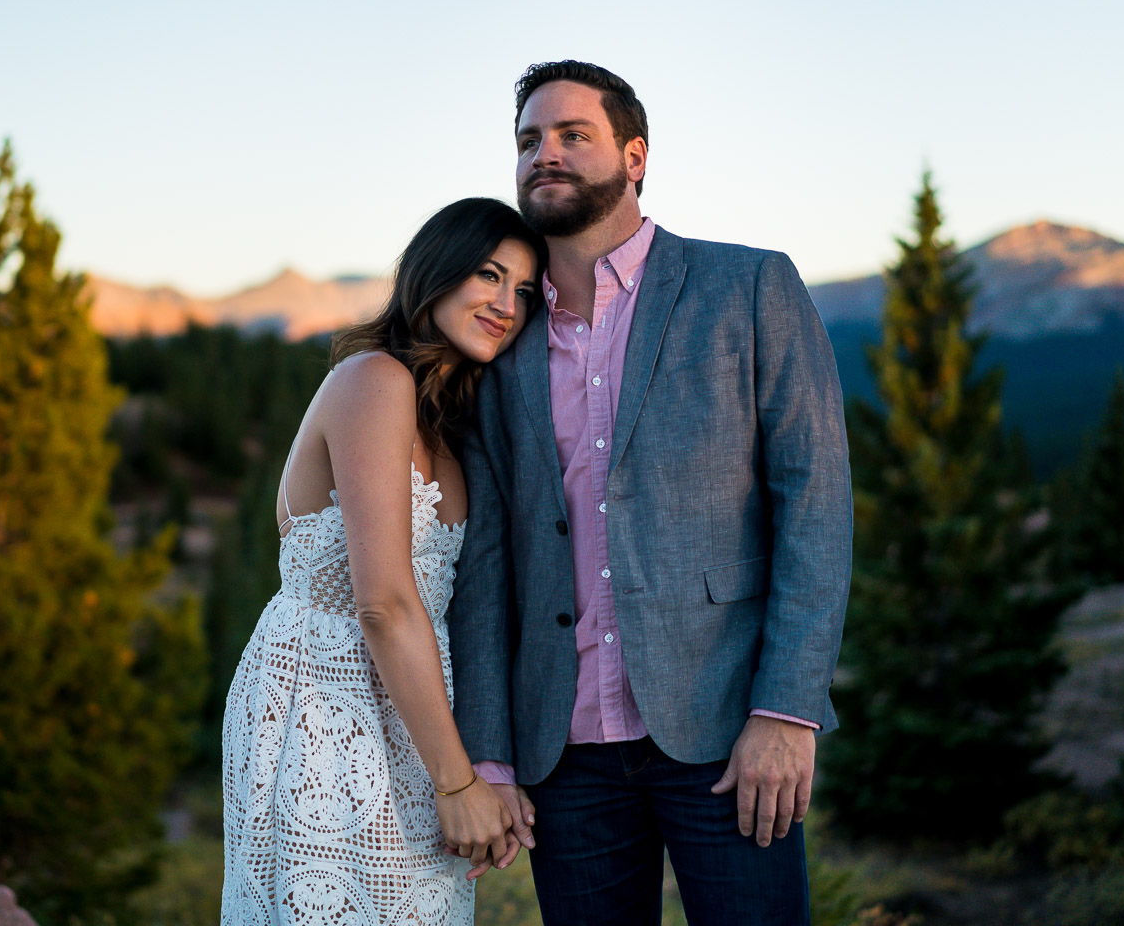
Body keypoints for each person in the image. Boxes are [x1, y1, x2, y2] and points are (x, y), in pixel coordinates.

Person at [448, 61, 853, 926]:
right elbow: (486, 562)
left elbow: (814, 505)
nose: (542, 155)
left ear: (634, 157)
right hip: (565, 754)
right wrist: (486, 753)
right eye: (527, 140)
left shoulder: (747, 287)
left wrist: (786, 712)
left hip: (729, 733)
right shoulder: (499, 335)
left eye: (571, 135)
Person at [221, 197, 548, 924]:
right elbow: (385, 602)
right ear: (435, 273)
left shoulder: (451, 414)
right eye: (488, 276)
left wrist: (481, 766)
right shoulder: (373, 380)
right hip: (320, 709)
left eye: (523, 291)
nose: (505, 304)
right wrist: (458, 784)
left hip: (415, 719)